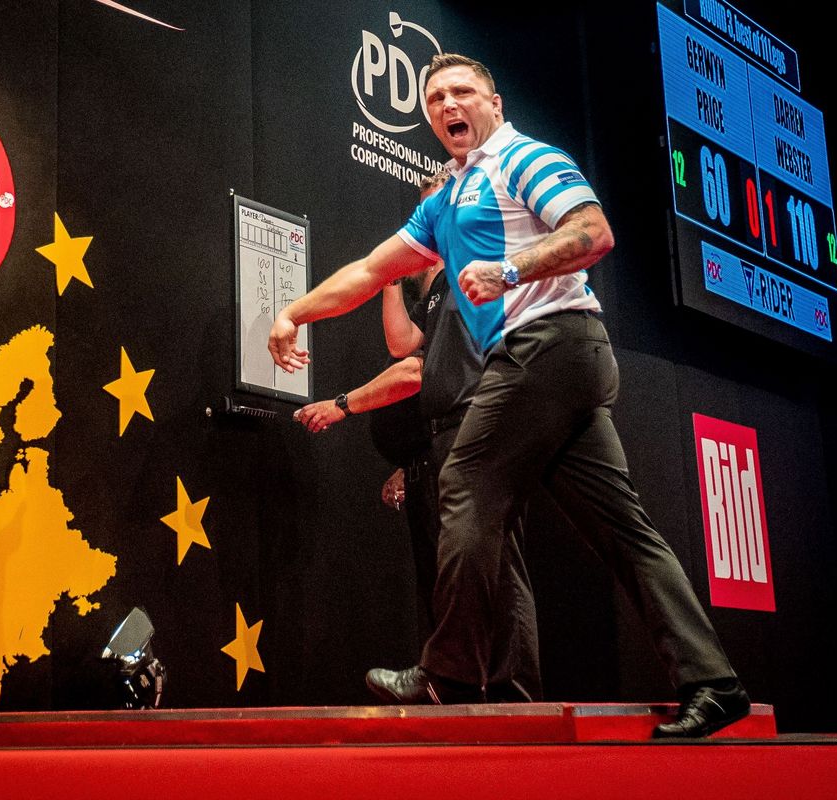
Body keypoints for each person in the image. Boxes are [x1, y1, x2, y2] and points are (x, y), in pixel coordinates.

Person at [269, 53, 749, 738]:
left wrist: (511, 270)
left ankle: (449, 671)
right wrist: (293, 313)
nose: (447, 105)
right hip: (563, 362)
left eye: (461, 92)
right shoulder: (447, 199)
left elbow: (593, 232)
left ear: (494, 103)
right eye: (435, 99)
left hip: (549, 344)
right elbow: (372, 269)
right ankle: (713, 681)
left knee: (464, 482)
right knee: (620, 527)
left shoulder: (523, 158)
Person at [294, 173, 540, 701]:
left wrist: (341, 405)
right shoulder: (439, 290)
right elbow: (403, 344)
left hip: (482, 433)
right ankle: (459, 687)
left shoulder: (471, 274)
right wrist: (391, 277)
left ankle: (518, 700)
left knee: (498, 568)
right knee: (459, 573)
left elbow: (416, 370)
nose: (431, 226)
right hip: (447, 443)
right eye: (425, 217)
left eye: (440, 212)